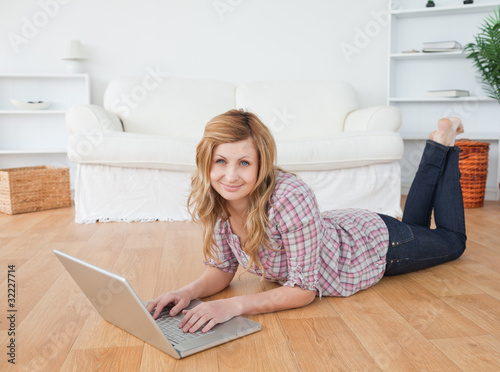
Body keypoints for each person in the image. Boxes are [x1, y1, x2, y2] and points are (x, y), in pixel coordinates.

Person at [146, 109, 466, 334]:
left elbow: (302, 290)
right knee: (419, 226)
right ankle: (438, 141)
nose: (230, 175)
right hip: (344, 225)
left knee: (452, 240)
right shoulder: (217, 197)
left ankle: (445, 143)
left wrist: (233, 307)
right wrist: (187, 292)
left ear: (262, 164)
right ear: (207, 162)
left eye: (244, 162)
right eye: (221, 161)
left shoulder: (289, 196)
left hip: (376, 245)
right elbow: (222, 268)